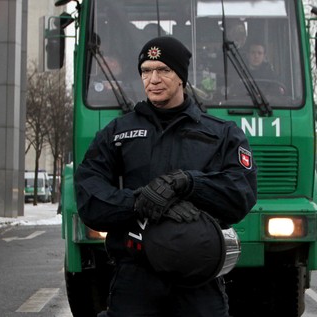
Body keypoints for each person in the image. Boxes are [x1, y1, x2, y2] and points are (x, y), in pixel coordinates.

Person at [75, 36, 258, 316]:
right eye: (146, 71)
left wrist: (188, 184)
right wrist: (139, 202)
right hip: (135, 278)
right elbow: (89, 197)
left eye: (163, 70)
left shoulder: (222, 134)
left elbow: (240, 194)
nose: (154, 79)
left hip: (198, 281)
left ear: (181, 76)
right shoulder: (116, 134)